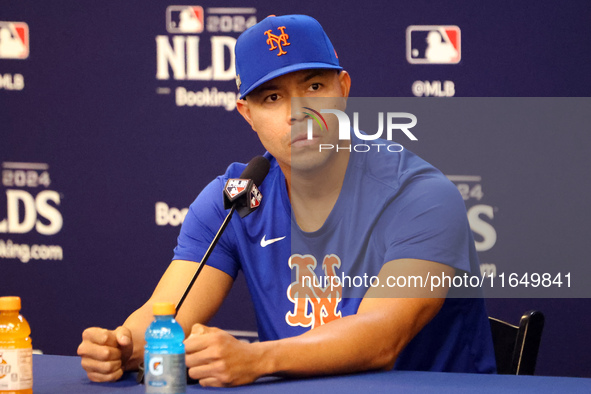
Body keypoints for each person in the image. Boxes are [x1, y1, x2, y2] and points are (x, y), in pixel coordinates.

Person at [77, 14, 496, 387]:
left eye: (314, 86)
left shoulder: (419, 194)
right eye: (272, 98)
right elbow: (165, 312)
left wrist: (257, 359)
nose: (298, 112)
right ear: (246, 113)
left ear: (343, 88)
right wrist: (123, 347)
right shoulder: (236, 196)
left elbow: (382, 335)